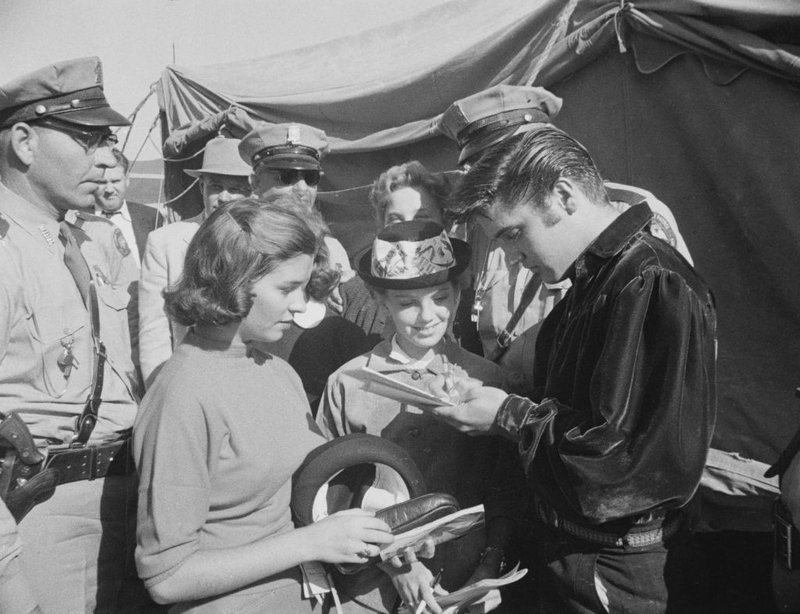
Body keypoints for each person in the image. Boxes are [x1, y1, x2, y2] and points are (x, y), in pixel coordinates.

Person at [427, 125, 717, 613]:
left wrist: (509, 415)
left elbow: (623, 460)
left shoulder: (648, 282)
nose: (511, 256)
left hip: (614, 567)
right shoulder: (594, 281)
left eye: (515, 234)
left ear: (563, 195)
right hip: (576, 552)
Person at [133, 199, 395, 613]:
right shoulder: (182, 395)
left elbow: (309, 495)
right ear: (233, 281)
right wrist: (309, 542)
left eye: (304, 288)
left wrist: (389, 545)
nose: (299, 304)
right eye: (287, 288)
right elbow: (168, 577)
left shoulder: (277, 372)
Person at [0, 56, 151, 613]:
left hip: (123, 499)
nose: (107, 157)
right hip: (43, 511)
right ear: (24, 142)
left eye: (108, 140)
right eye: (88, 139)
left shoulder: (89, 242)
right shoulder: (6, 254)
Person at [318, 220, 522, 614]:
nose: (427, 315)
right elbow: (331, 493)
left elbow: (506, 488)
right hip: (371, 588)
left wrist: (490, 563)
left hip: (467, 582)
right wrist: (396, 565)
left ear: (459, 294)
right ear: (380, 302)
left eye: (440, 297)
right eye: (407, 303)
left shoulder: (486, 380)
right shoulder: (348, 383)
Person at [438, 84, 692, 393]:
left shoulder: (628, 214)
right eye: (478, 169)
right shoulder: (477, 232)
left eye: (504, 158)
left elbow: (671, 355)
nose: (493, 178)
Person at [138, 136, 251, 388]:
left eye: (235, 189)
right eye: (215, 186)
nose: (223, 197)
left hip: (249, 378)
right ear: (201, 187)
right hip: (188, 381)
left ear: (251, 193)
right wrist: (159, 392)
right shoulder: (166, 241)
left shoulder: (263, 242)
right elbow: (154, 332)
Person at [239, 121, 353, 279]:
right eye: (287, 177)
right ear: (256, 183)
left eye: (310, 178)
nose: (302, 189)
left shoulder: (332, 249)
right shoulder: (236, 241)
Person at [95, 148, 163, 264]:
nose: (109, 189)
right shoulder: (76, 218)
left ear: (127, 179)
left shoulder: (151, 217)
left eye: (116, 181)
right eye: (102, 182)